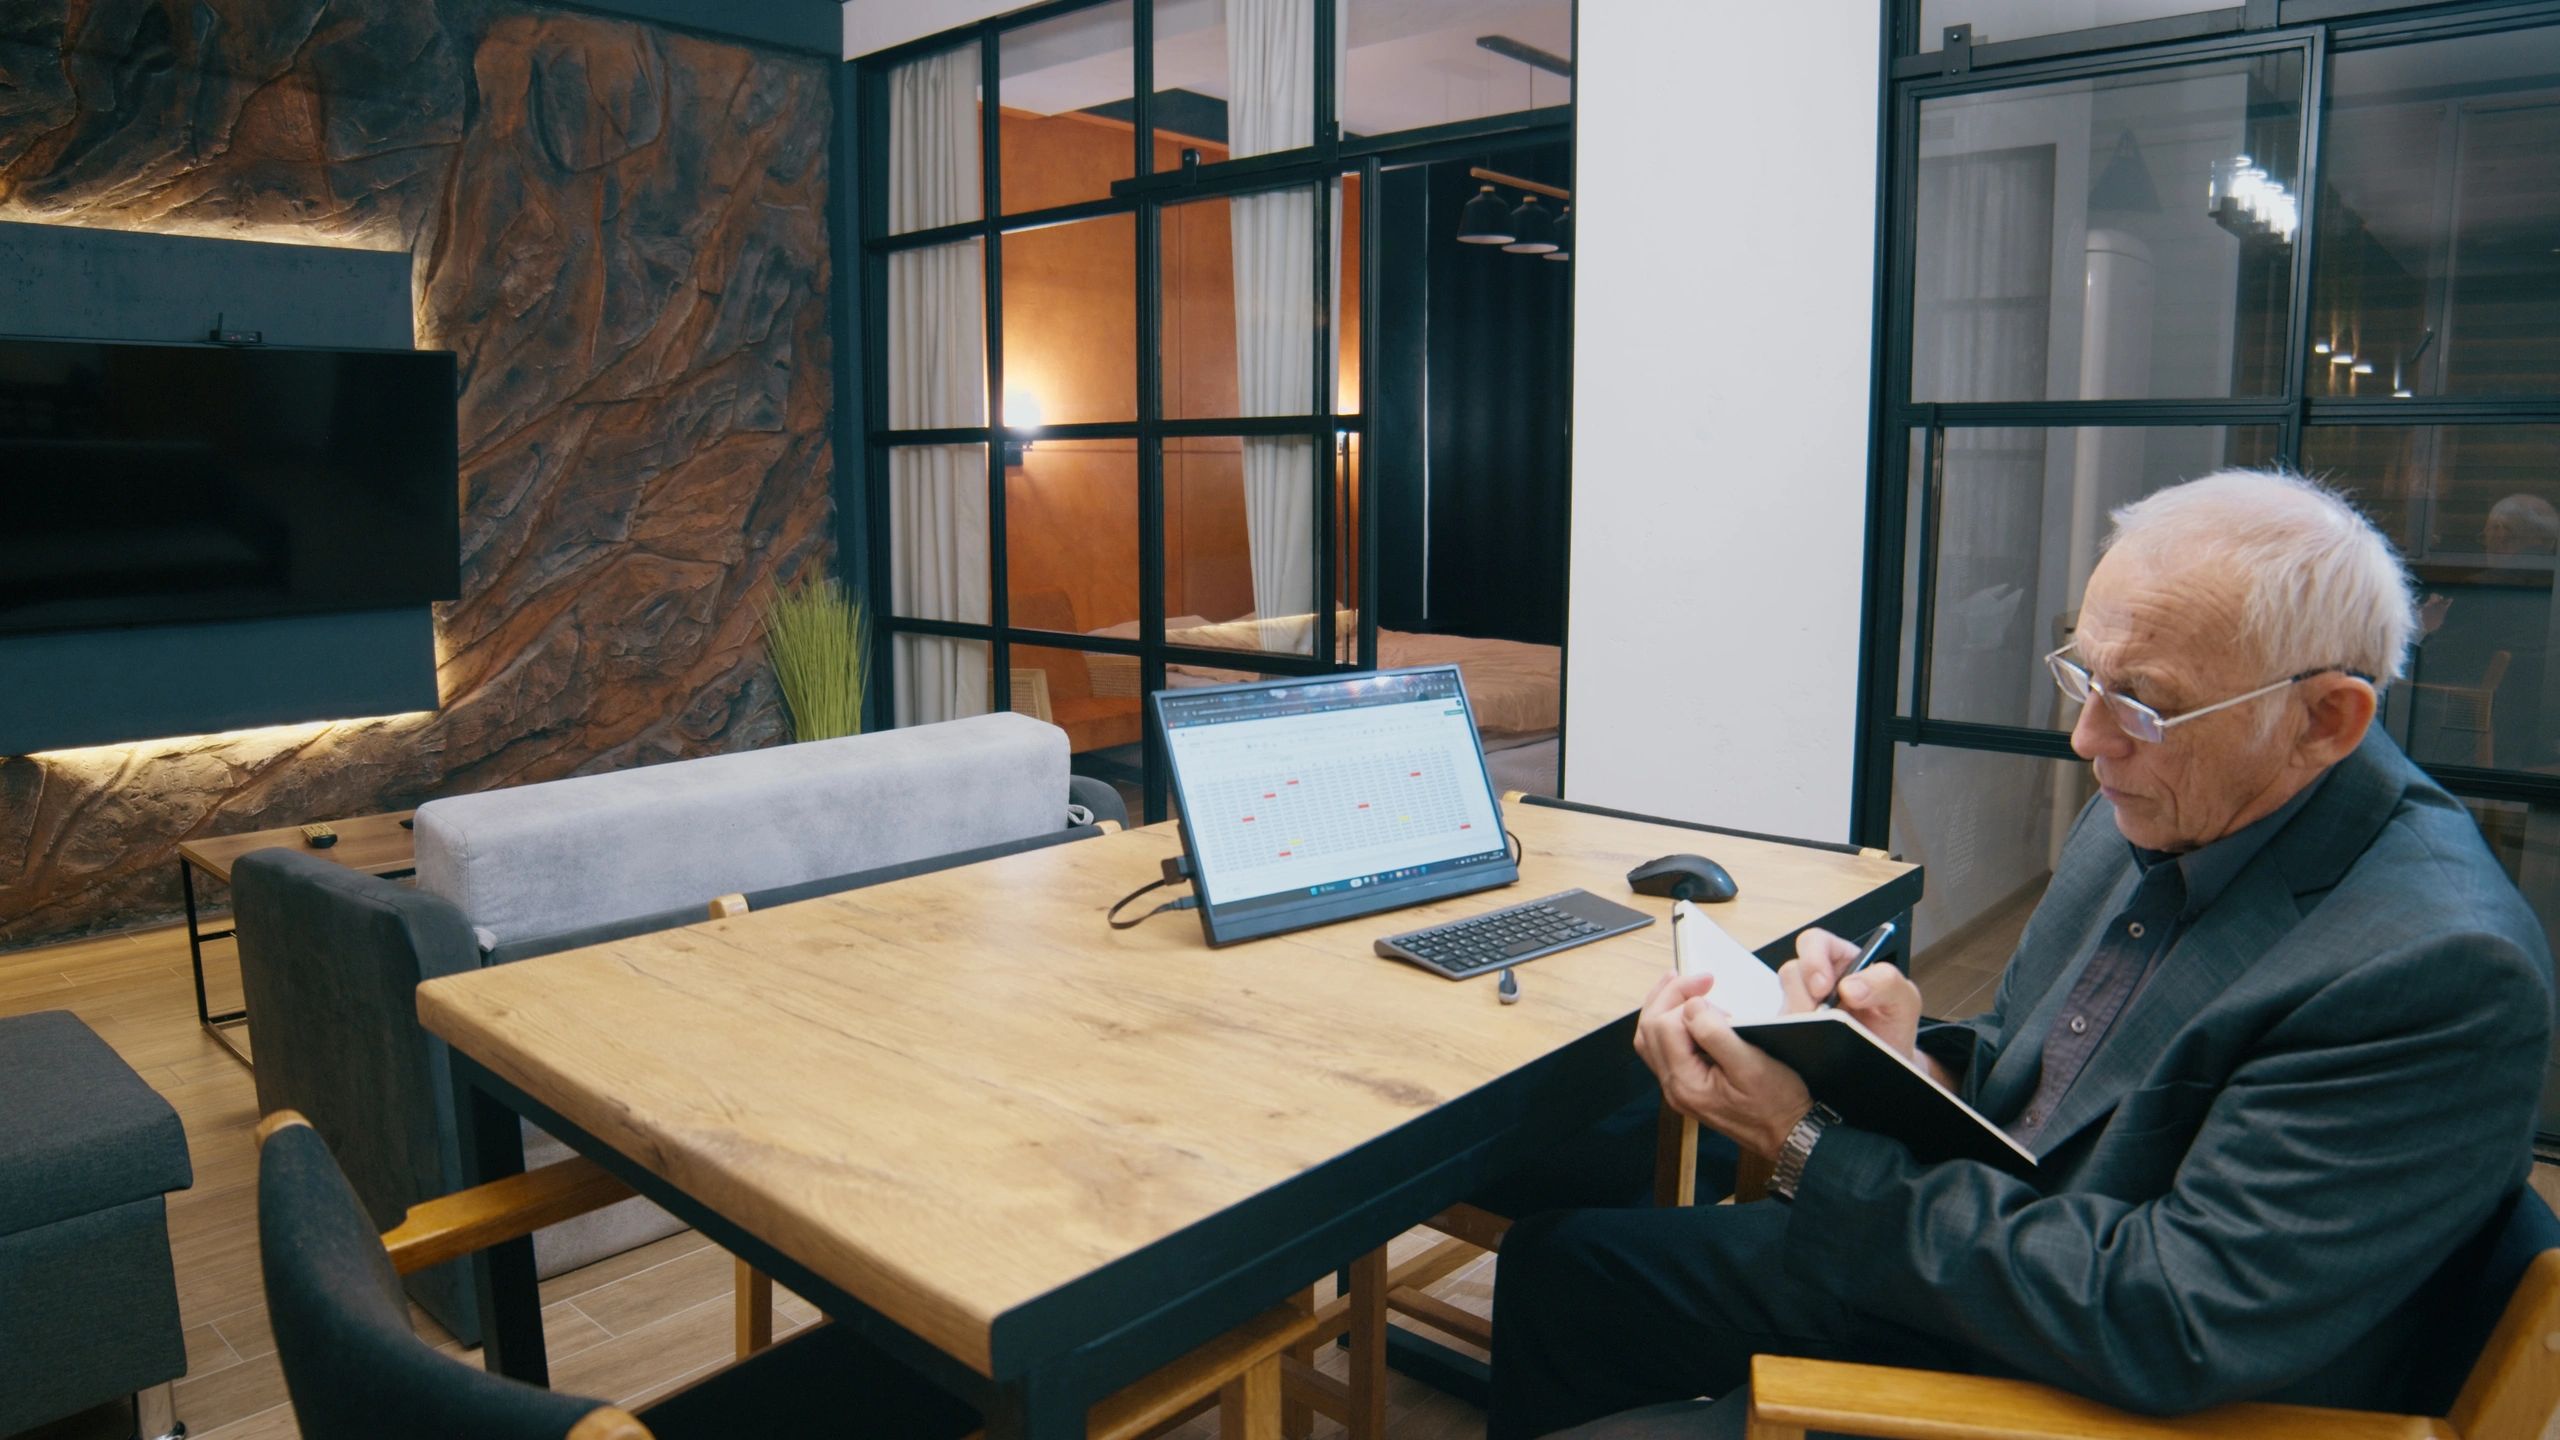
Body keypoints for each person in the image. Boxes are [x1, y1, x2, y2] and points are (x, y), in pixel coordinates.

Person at [1486, 469, 2556, 1439]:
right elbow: (2047, 1071)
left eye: (2145, 703)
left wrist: (1801, 1140)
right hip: (2000, 1258)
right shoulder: (2171, 797)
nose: (2090, 742)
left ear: (2325, 718)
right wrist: (1909, 1058)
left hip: (2106, 1380)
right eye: (2084, 676)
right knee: (1556, 1270)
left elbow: (2164, 1321)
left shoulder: (2436, 971)